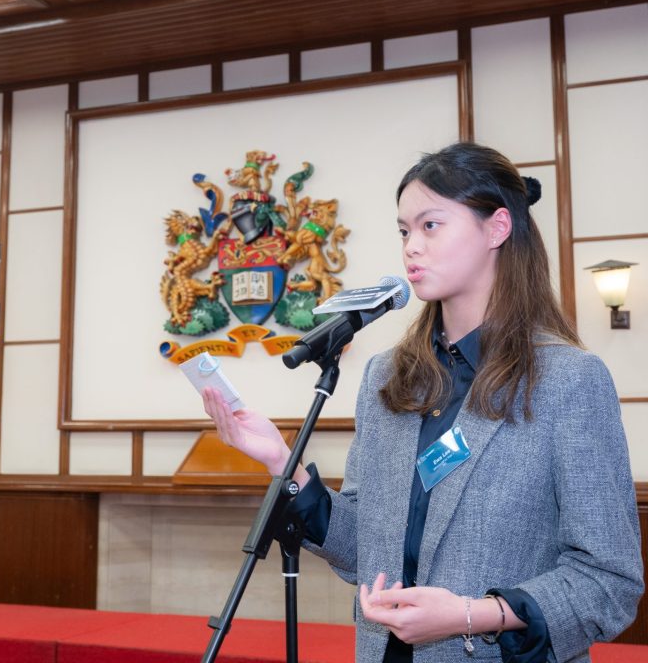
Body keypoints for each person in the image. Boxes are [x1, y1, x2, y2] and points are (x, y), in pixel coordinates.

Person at [202, 142, 643, 663]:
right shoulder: (388, 376)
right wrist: (284, 464)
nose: (411, 246)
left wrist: (470, 615)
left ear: (497, 228)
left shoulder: (568, 381)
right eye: (404, 230)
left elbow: (609, 580)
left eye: (431, 225)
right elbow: (368, 549)